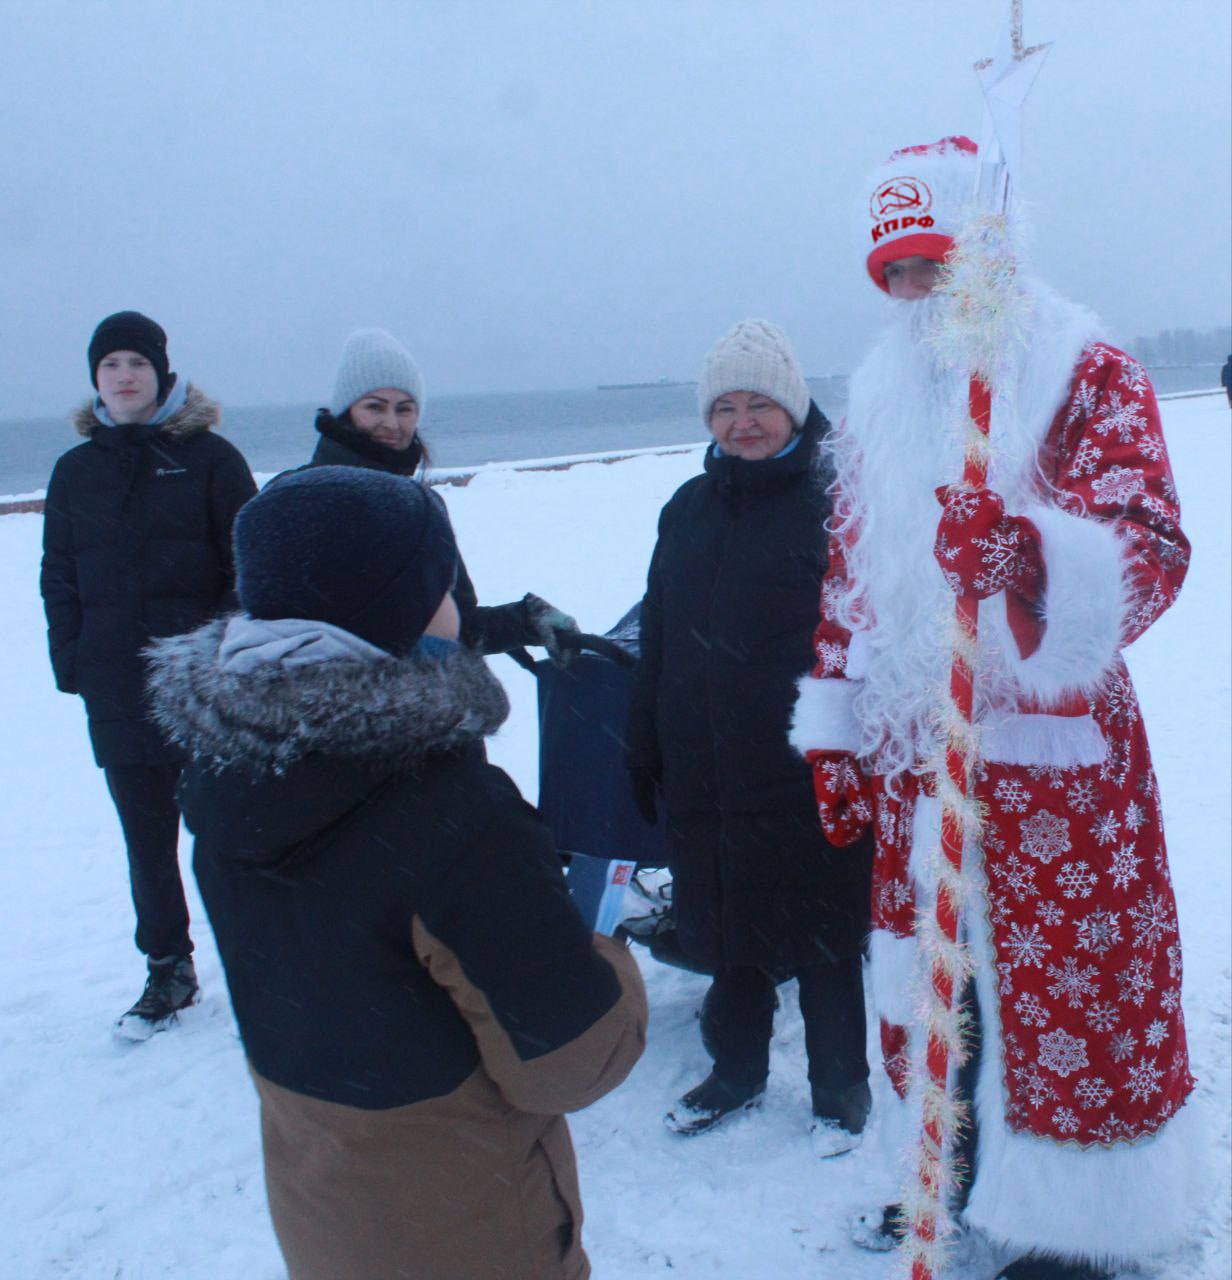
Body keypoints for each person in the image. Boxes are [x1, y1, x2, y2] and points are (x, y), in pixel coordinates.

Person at [791, 136, 1200, 1280]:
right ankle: (942, 1170)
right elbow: (850, 578)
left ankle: (1072, 1217)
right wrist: (837, 729)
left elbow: (1150, 542)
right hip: (917, 757)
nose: (918, 293)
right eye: (897, 275)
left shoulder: (1085, 372)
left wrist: (1028, 557)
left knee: (1061, 990)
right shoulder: (876, 403)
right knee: (936, 983)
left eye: (936, 265)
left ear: (989, 259)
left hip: (1052, 769)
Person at [146, 466, 647, 1280]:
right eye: (444, 583)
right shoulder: (454, 814)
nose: (457, 603)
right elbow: (571, 1061)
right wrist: (605, 956)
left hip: (323, 1211)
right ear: (400, 604)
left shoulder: (227, 771)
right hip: (471, 1227)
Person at [626, 319, 873, 1154]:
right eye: (725, 408)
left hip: (806, 761)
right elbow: (658, 630)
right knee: (726, 930)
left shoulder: (839, 501)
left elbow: (872, 634)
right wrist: (643, 734)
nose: (743, 423)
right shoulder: (688, 507)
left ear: (793, 407)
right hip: (705, 764)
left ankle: (840, 1091)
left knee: (825, 937)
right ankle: (735, 1073)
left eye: (759, 404)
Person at [39, 310, 256, 1040]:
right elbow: (59, 575)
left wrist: (223, 655)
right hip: (115, 684)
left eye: (136, 363)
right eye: (110, 365)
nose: (124, 376)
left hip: (203, 686)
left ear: (162, 373)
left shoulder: (211, 459)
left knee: (230, 830)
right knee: (147, 840)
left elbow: (248, 567)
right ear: (95, 378)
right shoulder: (75, 471)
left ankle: (265, 963)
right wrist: (72, 659)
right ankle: (168, 970)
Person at [308, 327, 578, 660]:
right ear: (346, 411)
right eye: (375, 407)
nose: (391, 424)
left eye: (404, 409)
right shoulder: (294, 501)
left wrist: (525, 621)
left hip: (416, 690)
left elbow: (458, 628)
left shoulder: (419, 508)